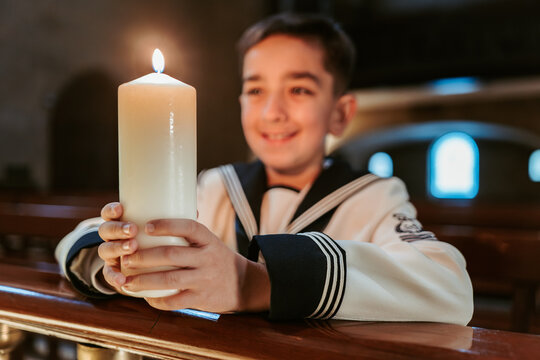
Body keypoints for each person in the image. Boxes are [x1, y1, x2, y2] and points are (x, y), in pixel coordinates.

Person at [55, 13, 473, 324]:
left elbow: (449, 287)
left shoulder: (373, 196)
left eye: (299, 89)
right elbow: (72, 245)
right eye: (255, 90)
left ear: (340, 114)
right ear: (241, 104)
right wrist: (119, 262)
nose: (273, 112)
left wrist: (254, 281)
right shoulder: (215, 187)